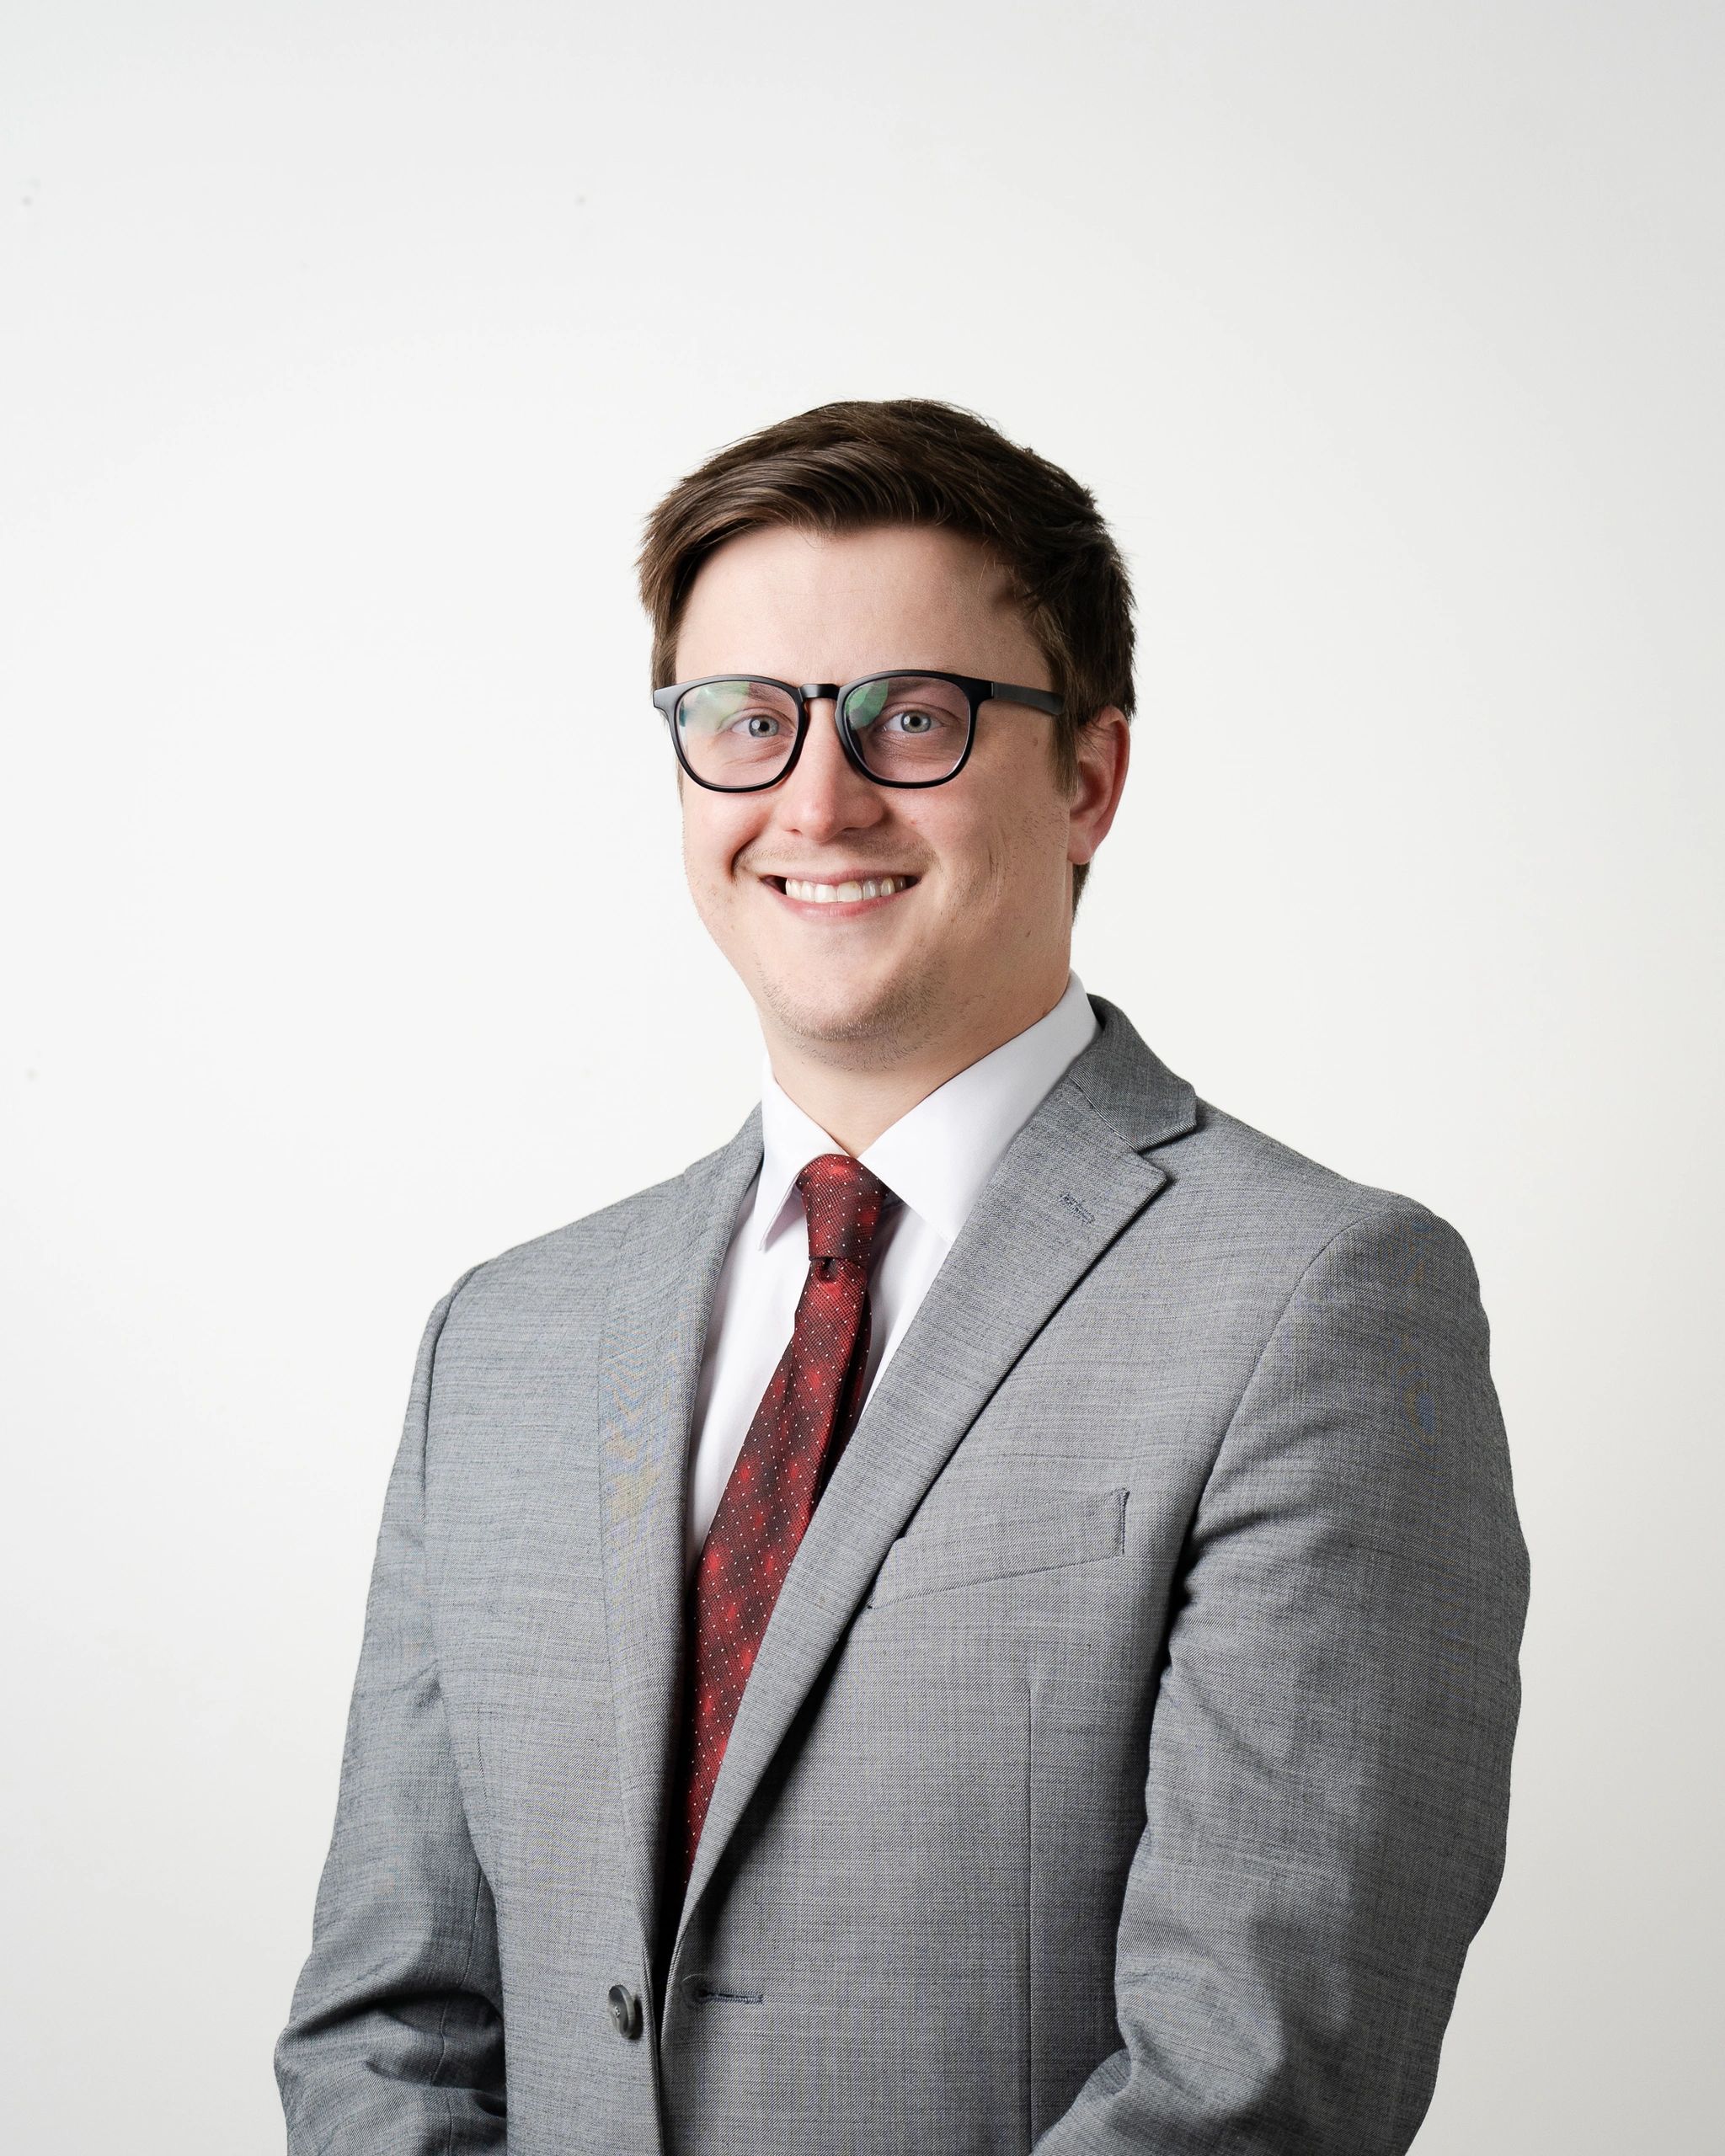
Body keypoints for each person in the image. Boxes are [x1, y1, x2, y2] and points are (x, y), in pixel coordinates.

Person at [275, 398, 1530, 2155]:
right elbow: (385, 2026)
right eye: (745, 721)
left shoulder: (1318, 1298)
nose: (817, 795)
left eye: (911, 718)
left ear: (1087, 772)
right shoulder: (506, 1337)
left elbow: (1260, 2081)